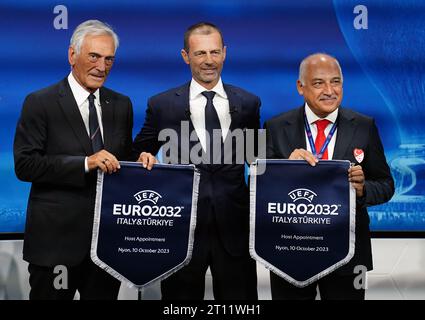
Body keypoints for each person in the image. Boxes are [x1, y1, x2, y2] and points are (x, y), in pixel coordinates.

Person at [13, 20, 155, 300]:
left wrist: (138, 160)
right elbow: (25, 165)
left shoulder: (121, 104)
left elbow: (119, 158)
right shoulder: (40, 102)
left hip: (105, 247)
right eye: (94, 56)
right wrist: (85, 163)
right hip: (55, 248)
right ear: (72, 55)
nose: (102, 67)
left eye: (109, 59)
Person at [132, 22, 260, 300]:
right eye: (200, 53)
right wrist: (143, 156)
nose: (209, 60)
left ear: (225, 53)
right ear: (185, 56)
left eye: (215, 52)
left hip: (235, 229)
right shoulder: (162, 104)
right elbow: (139, 151)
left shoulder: (249, 103)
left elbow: (258, 159)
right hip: (183, 231)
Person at [264, 53, 394, 300]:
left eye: (336, 82)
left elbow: (387, 185)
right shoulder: (274, 127)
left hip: (347, 256)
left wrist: (363, 188)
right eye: (318, 83)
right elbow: (257, 189)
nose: (329, 90)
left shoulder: (364, 126)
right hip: (290, 251)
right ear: (300, 87)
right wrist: (283, 170)